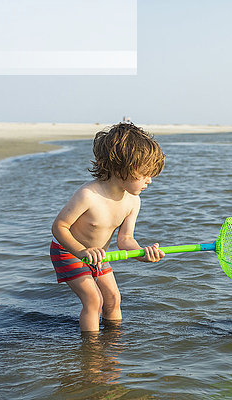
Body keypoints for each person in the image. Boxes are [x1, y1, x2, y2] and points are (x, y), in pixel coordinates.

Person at [51, 123, 166, 332]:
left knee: (113, 298)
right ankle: (91, 352)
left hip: (99, 255)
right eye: (144, 173)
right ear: (121, 168)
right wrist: (80, 251)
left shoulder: (133, 201)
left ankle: (112, 346)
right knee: (94, 300)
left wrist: (142, 254)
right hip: (68, 252)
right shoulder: (89, 195)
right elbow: (59, 227)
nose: (149, 180)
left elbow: (125, 240)